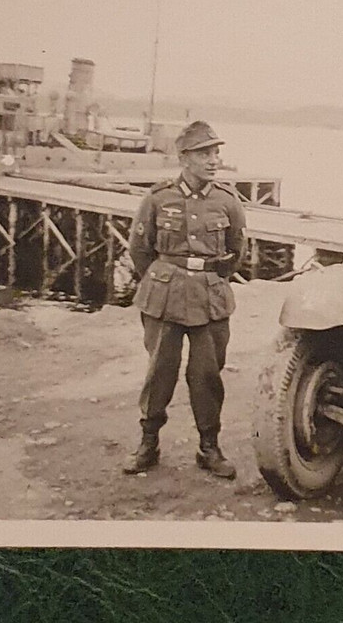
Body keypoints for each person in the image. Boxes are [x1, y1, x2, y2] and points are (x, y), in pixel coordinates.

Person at [122, 120, 247, 479]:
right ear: (184, 158)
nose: (213, 160)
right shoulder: (158, 198)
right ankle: (148, 444)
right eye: (204, 153)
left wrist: (211, 277)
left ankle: (209, 448)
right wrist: (165, 279)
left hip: (210, 298)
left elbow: (237, 250)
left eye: (216, 153)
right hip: (165, 295)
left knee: (207, 375)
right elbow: (140, 250)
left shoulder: (227, 201)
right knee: (160, 372)